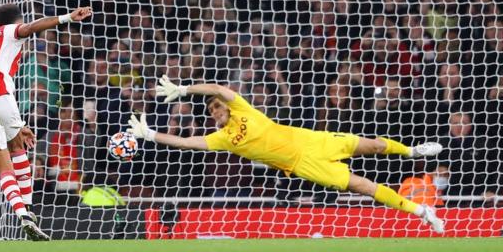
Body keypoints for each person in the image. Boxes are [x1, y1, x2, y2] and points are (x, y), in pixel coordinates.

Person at [126, 76, 446, 233]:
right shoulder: (222, 138)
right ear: (213, 117)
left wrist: (184, 90)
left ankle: (411, 150)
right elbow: (187, 143)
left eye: (217, 105)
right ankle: (422, 212)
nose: (216, 109)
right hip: (302, 164)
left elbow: (220, 89)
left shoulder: (241, 107)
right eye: (212, 110)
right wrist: (151, 134)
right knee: (362, 186)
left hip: (310, 139)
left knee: (371, 145)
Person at [0, 3, 92, 240]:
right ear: (17, 21)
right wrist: (67, 18)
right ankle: (29, 209)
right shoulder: (9, 32)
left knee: (4, 167)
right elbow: (32, 27)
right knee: (18, 148)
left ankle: (22, 214)